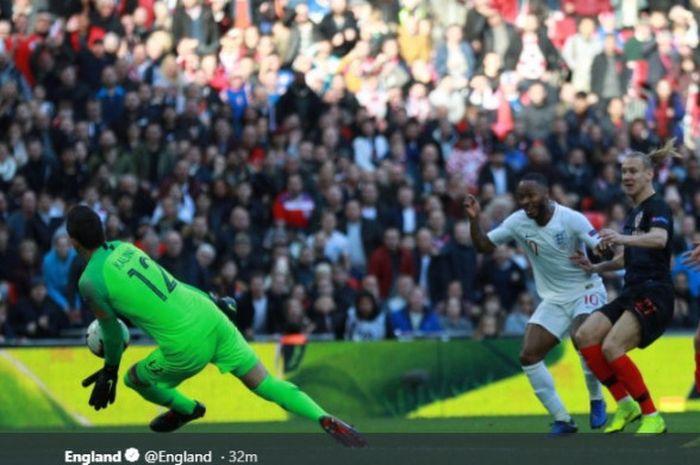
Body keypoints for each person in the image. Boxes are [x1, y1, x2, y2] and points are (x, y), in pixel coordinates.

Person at [66, 205, 365, 447]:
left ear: (73, 241)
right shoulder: (124, 247)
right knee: (266, 384)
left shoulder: (90, 282)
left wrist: (110, 370)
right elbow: (175, 284)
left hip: (184, 344)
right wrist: (215, 301)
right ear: (102, 229)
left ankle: (187, 409)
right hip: (209, 315)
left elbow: (111, 334)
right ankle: (322, 416)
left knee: (135, 379)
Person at [464, 172, 609, 435]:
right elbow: (484, 246)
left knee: (582, 339)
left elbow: (600, 246)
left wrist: (599, 252)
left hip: (585, 290)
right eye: (521, 197)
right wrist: (474, 221)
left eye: (531, 195)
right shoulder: (517, 222)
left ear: (546, 194)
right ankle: (563, 419)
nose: (526, 202)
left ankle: (597, 399)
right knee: (528, 355)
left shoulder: (571, 218)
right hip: (553, 298)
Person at [572, 141, 680, 435]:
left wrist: (621, 237)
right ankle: (625, 404)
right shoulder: (634, 214)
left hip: (654, 292)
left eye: (633, 171)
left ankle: (653, 416)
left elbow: (658, 239)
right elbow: (626, 258)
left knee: (611, 347)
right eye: (623, 172)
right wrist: (596, 267)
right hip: (632, 291)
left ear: (649, 175)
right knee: (584, 336)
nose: (627, 177)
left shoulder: (658, 207)